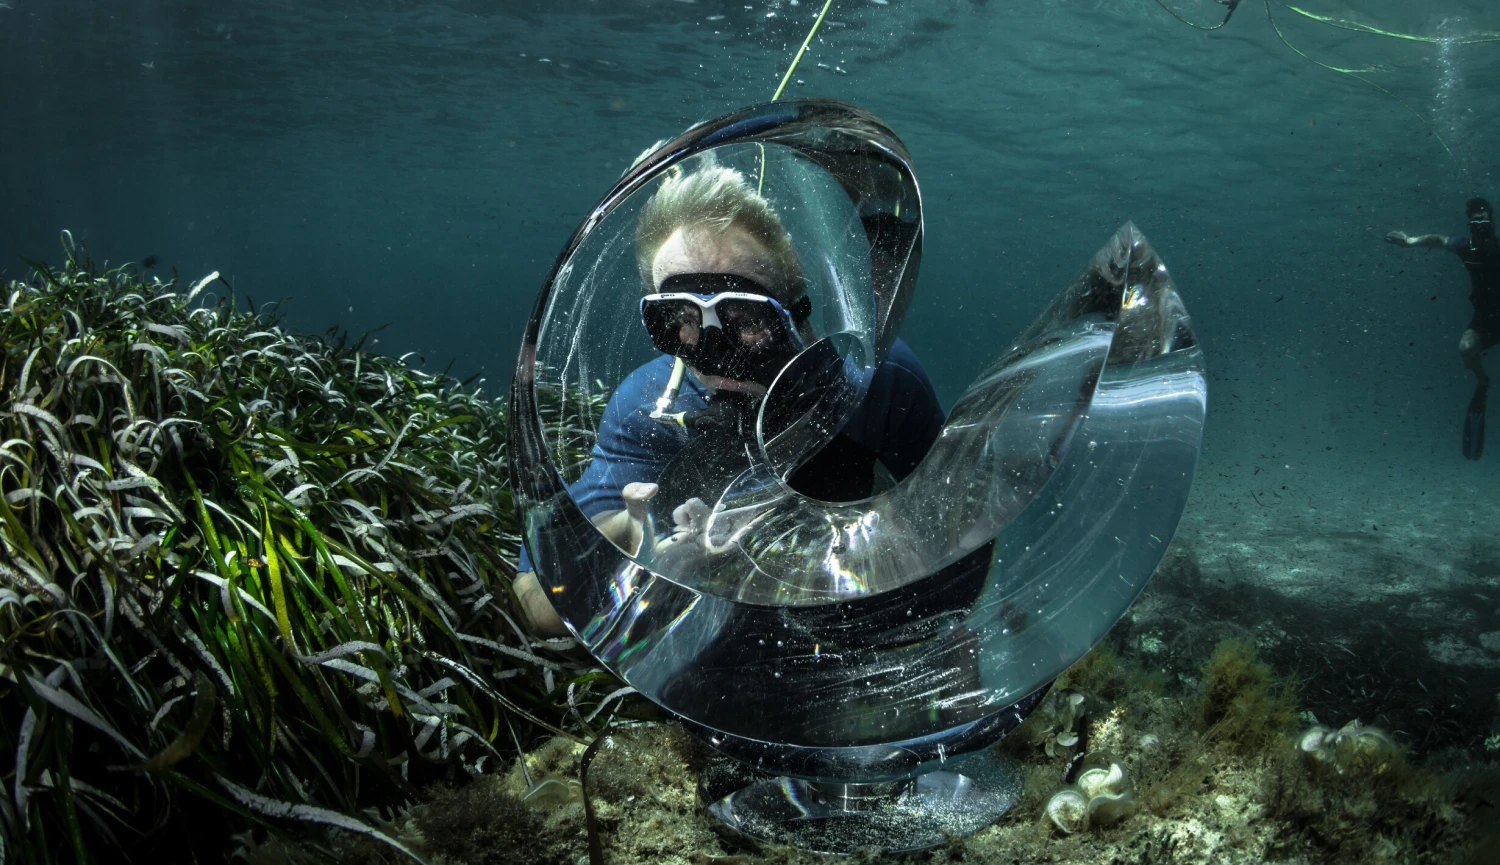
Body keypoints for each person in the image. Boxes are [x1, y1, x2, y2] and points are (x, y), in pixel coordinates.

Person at [513, 160, 947, 637]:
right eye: (681, 319)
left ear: (797, 312)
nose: (716, 356)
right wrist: (635, 536)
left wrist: (879, 549)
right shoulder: (650, 406)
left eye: (746, 319)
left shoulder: (875, 382)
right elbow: (537, 600)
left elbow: (954, 529)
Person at [1387, 197, 1500, 460]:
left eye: (1484, 220)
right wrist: (1409, 241)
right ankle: (1482, 382)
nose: (1481, 226)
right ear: (1470, 225)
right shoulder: (1466, 247)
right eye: (1476, 222)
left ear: (1492, 222)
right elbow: (1438, 240)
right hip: (1485, 320)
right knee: (1465, 348)